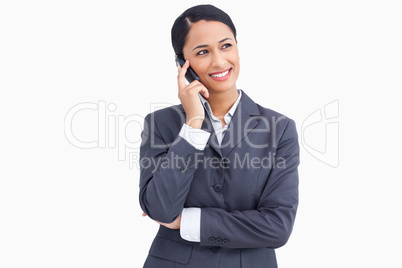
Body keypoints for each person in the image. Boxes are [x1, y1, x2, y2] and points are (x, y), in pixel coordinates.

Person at [139, 4, 299, 268]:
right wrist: (192, 124)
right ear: (182, 63)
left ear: (237, 46)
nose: (219, 61)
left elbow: (278, 227)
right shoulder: (161, 125)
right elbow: (161, 209)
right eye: (202, 52)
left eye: (226, 46)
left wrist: (189, 222)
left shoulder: (279, 128)